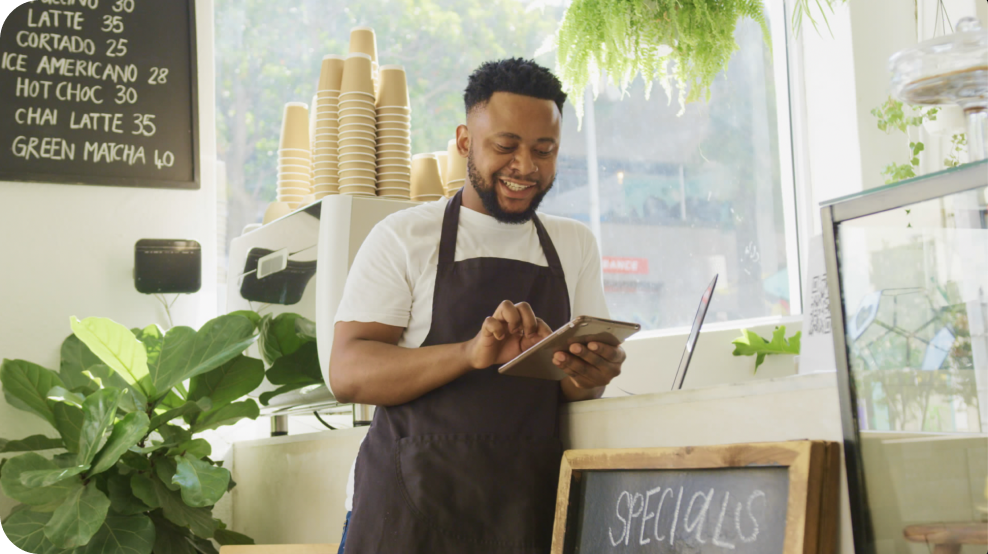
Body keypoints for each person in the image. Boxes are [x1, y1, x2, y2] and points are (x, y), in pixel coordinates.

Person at [330, 57, 627, 553]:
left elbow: (575, 390)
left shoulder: (574, 244)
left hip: (523, 511)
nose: (525, 166)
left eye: (544, 150)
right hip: (403, 514)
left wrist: (589, 372)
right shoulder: (405, 236)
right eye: (506, 146)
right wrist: (469, 353)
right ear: (465, 142)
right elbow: (347, 372)